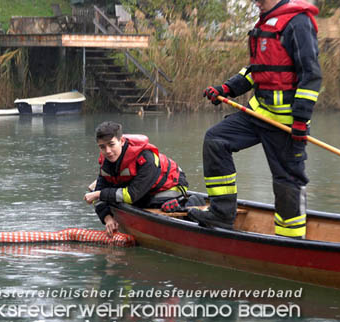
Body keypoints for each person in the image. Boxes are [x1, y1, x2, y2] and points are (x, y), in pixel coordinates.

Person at [188, 0, 322, 239]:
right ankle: (222, 214)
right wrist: (226, 89)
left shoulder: (298, 23)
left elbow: (310, 76)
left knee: (287, 181)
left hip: (286, 124)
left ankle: (290, 241)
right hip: (257, 114)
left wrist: (300, 121)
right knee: (216, 140)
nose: (255, 3)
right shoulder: (266, 22)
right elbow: (257, 70)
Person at [84, 121, 191, 235]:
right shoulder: (107, 161)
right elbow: (98, 193)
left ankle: (189, 203)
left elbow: (131, 195)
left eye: (111, 144)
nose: (108, 151)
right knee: (113, 195)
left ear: (121, 141)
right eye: (102, 147)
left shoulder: (146, 159)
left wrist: (99, 194)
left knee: (141, 202)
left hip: (171, 186)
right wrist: (107, 218)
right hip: (138, 189)